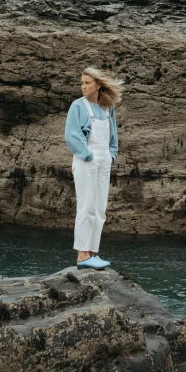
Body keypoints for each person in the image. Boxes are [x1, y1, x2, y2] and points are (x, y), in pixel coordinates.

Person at [64, 67, 123, 269]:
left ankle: (93, 253)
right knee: (86, 207)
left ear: (98, 85)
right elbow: (71, 135)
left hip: (104, 160)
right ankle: (82, 255)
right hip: (85, 159)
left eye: (87, 83)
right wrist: (87, 154)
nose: (83, 86)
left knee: (99, 209)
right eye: (82, 83)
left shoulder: (108, 108)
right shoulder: (78, 106)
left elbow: (113, 134)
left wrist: (111, 154)